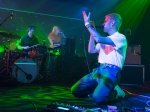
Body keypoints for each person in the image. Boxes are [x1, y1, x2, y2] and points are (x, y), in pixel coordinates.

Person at [71, 11, 127, 104]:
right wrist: (92, 33)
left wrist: (87, 24)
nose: (103, 23)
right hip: (99, 70)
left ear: (112, 23)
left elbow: (99, 39)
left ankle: (117, 92)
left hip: (111, 71)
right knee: (75, 90)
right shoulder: (104, 39)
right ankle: (102, 89)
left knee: (98, 99)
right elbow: (91, 50)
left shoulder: (120, 37)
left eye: (105, 21)